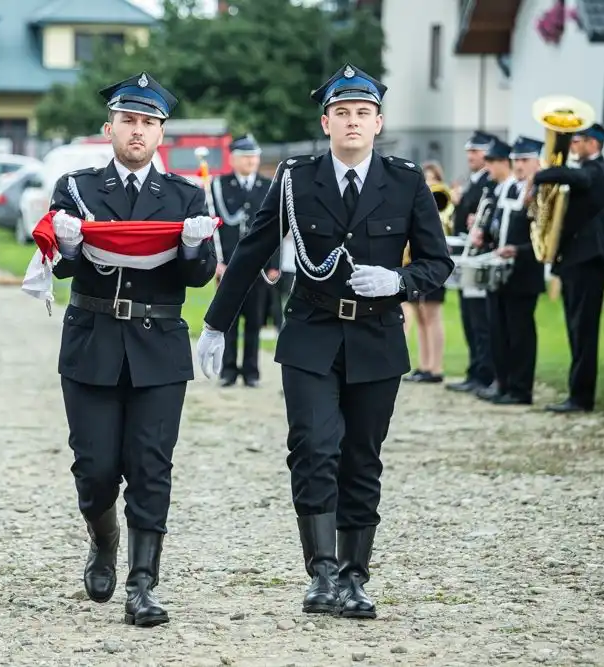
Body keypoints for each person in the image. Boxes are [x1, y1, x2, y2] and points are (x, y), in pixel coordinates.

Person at [194, 63, 453, 619]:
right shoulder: (294, 178)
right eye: (342, 113)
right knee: (313, 448)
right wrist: (216, 323)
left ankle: (357, 577)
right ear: (326, 122)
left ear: (378, 123)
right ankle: (323, 572)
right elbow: (251, 249)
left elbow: (439, 262)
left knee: (362, 456)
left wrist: (401, 282)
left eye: (363, 113)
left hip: (378, 336)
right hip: (311, 333)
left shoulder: (406, 180)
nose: (353, 122)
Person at [46, 71, 217, 627]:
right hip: (94, 339)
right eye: (128, 121)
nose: (137, 131)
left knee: (150, 466)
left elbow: (198, 275)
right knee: (94, 467)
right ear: (109, 128)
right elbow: (63, 263)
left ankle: (144, 584)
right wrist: (68, 243)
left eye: (148, 122)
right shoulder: (77, 187)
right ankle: (103, 539)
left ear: (161, 134)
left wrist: (194, 249)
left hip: (158, 345)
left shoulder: (186, 195)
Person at [531, 123, 604, 413]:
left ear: (595, 144)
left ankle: (581, 397)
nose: (575, 145)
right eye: (574, 140)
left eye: (580, 140)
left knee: (584, 330)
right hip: (575, 259)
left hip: (589, 259)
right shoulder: (584, 170)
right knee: (576, 329)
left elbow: (578, 178)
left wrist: (540, 173)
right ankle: (577, 393)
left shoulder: (598, 171)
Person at [475, 136, 546, 404]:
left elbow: (545, 236)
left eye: (525, 160)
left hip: (524, 273)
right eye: (516, 160)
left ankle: (520, 388)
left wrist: (518, 250)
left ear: (538, 161)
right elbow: (499, 224)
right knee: (498, 331)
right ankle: (502, 382)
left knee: (520, 334)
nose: (519, 165)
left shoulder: (541, 192)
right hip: (500, 271)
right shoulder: (507, 188)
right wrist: (485, 235)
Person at [211, 134, 274, 386]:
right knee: (227, 319)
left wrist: (274, 264)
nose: (251, 161)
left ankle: (251, 372)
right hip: (227, 266)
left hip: (258, 267)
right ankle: (228, 370)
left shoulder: (267, 186)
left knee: (254, 321)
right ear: (234, 159)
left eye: (254, 157)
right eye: (246, 157)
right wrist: (216, 261)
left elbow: (275, 230)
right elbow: (212, 228)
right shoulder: (218, 186)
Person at [446, 130, 496, 395]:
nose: (470, 156)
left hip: (479, 257)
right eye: (469, 151)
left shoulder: (489, 182)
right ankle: (474, 369)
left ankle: (484, 372)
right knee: (469, 318)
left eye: (476, 151)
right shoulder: (473, 181)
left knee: (479, 321)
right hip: (466, 257)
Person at [468, 138, 517, 400]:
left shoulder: (511, 189)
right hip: (495, 266)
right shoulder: (497, 190)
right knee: (495, 329)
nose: (488, 168)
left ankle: (511, 384)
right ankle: (499, 381)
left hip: (513, 270)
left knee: (511, 332)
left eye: (492, 162)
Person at [401, 160, 449, 383]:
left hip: (434, 267)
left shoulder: (443, 204)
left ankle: (436, 367)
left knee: (432, 315)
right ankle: (424, 365)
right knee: (420, 317)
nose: (429, 183)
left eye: (433, 178)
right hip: (416, 265)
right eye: (425, 179)